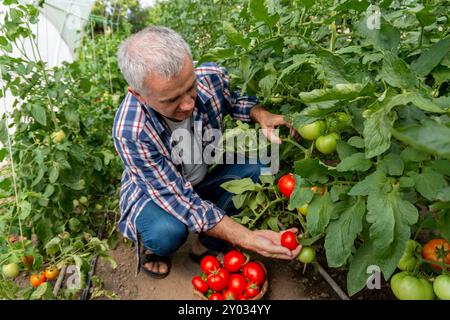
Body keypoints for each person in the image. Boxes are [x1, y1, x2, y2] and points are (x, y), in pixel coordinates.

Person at [113, 26, 301, 279]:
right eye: (171, 100)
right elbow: (179, 200)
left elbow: (235, 98)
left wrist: (261, 114)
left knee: (259, 168)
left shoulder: (210, 77)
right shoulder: (131, 131)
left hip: (199, 177)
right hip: (158, 193)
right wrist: (247, 238)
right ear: (139, 95)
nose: (189, 103)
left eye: (190, 87)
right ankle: (156, 251)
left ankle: (204, 246)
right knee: (167, 232)